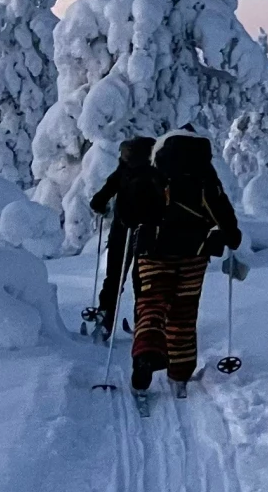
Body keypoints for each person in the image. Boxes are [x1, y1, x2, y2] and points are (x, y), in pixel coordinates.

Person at [128, 131, 243, 401]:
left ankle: (145, 352)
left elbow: (130, 213)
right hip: (194, 254)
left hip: (153, 253)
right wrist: (230, 237)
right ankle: (179, 373)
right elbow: (225, 216)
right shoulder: (205, 178)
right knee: (183, 312)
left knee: (152, 303)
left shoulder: (155, 173)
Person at [86, 138, 162, 341]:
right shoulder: (155, 172)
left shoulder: (124, 171)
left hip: (122, 231)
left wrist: (101, 206)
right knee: (142, 280)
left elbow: (100, 198)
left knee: (114, 279)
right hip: (147, 233)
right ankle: (143, 323)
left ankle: (105, 320)